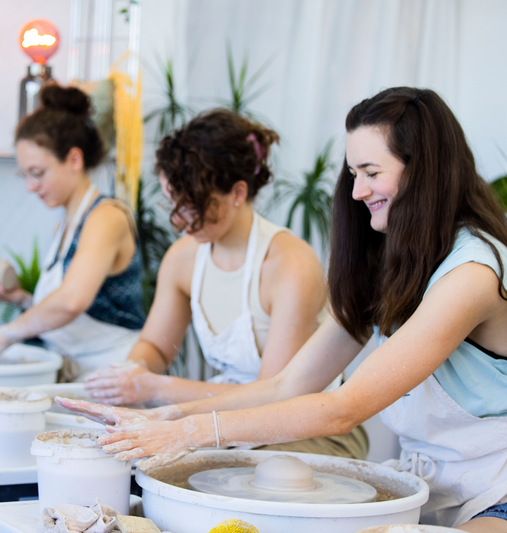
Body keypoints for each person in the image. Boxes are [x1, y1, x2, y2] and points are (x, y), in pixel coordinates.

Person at [57, 87, 507, 531]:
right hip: (440, 481)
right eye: (353, 175)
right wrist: (170, 417)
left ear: (425, 170)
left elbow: (344, 408)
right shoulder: (395, 261)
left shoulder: (473, 273)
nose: (357, 192)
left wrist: (191, 432)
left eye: (372, 173)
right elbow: (287, 384)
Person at [82, 108, 368, 460]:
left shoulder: (289, 265)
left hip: (303, 431)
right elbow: (155, 346)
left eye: (193, 206)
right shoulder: (183, 258)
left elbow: (276, 393)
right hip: (225, 422)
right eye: (173, 203)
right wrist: (132, 373)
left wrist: (157, 387)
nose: (179, 221)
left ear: (237, 192)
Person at [0, 85, 145, 381]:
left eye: (38, 173)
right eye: (25, 175)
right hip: (76, 374)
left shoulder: (107, 217)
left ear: (74, 160)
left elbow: (71, 302)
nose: (30, 186)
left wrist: (8, 333)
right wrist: (22, 299)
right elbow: (75, 314)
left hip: (114, 375)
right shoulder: (65, 225)